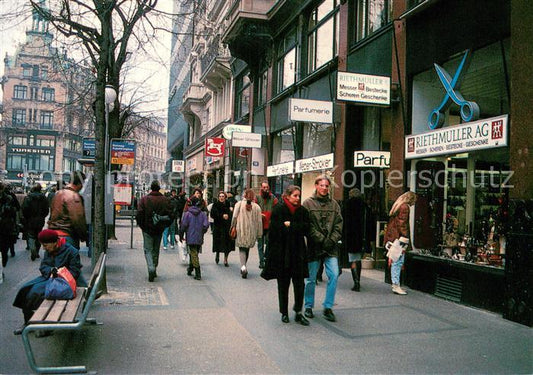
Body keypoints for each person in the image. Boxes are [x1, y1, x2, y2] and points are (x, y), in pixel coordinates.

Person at [13, 229, 85, 335]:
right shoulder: (49, 250)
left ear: (55, 242)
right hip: (49, 278)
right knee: (25, 289)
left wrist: (59, 273)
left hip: (63, 283)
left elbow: (74, 272)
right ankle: (28, 322)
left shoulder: (71, 251)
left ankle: (45, 324)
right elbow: (43, 266)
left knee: (36, 293)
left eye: (45, 245)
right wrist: (50, 271)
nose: (44, 248)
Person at [262, 185, 310, 326]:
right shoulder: (279, 210)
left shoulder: (302, 211)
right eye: (295, 195)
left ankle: (298, 311)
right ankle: (284, 312)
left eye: (299, 196)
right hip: (282, 253)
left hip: (298, 253)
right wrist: (290, 228)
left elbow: (306, 228)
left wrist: (291, 226)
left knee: (299, 284)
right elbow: (275, 231)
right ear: (287, 196)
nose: (297, 198)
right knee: (283, 284)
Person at [302, 175, 343, 322]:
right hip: (314, 247)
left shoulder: (335, 205)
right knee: (310, 279)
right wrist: (320, 239)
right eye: (322, 185)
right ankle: (308, 306)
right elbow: (307, 226)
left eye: (327, 186)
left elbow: (339, 225)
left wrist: (331, 240)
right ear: (316, 186)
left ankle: (328, 307)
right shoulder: (307, 204)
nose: (324, 188)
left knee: (334, 274)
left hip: (330, 248)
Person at [136, 180, 173, 282]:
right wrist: (165, 225)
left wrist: (142, 226)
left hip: (147, 229)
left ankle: (151, 267)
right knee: (156, 249)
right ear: (159, 188)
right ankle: (154, 267)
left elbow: (139, 214)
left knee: (148, 249)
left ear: (151, 188)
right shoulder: (165, 200)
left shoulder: (144, 200)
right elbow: (171, 215)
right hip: (159, 229)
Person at [384, 191, 417, 295]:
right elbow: (402, 223)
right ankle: (396, 285)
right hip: (399, 238)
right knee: (397, 262)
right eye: (414, 200)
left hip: (393, 236)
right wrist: (405, 237)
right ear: (411, 199)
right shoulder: (405, 207)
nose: (414, 203)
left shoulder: (398, 205)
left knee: (395, 260)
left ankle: (395, 284)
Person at [47, 171, 87, 250]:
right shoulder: (74, 197)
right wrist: (83, 235)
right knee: (71, 261)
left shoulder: (58, 194)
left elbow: (52, 214)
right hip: (67, 236)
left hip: (54, 235)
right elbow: (77, 218)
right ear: (79, 183)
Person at [342, 188, 371, 292]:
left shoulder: (347, 205)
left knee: (352, 259)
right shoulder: (365, 206)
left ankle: (356, 282)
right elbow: (369, 224)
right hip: (362, 238)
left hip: (350, 237)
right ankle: (358, 279)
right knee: (358, 258)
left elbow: (343, 222)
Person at [230, 188, 262, 279]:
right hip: (252, 231)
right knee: (247, 248)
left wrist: (232, 226)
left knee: (242, 248)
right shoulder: (257, 207)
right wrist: (259, 234)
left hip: (241, 230)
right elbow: (259, 222)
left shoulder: (239, 204)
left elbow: (234, 217)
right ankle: (244, 265)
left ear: (244, 195)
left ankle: (243, 266)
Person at [179, 196, 209, 280]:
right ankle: (190, 268)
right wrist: (202, 231)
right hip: (199, 237)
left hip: (190, 236)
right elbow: (206, 225)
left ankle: (197, 271)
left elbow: (183, 225)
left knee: (193, 253)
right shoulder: (202, 214)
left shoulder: (188, 214)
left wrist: (181, 235)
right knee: (194, 253)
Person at [22, 184, 50, 261]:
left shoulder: (28, 197)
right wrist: (43, 216)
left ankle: (32, 249)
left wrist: (27, 217)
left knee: (31, 235)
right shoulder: (44, 198)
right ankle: (37, 251)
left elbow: (24, 209)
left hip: (30, 219)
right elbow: (46, 209)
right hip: (40, 219)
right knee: (38, 235)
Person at [255, 182, 278, 269]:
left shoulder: (273, 198)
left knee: (269, 243)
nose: (266, 189)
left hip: (270, 225)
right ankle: (261, 262)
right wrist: (259, 214)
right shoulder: (257, 198)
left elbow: (277, 208)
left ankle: (265, 257)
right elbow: (254, 209)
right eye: (264, 187)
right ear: (261, 188)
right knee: (260, 245)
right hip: (260, 225)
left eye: (267, 187)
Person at [210, 191, 234, 266]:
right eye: (220, 196)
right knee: (218, 242)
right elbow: (212, 214)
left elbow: (231, 216)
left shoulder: (228, 204)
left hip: (226, 227)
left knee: (227, 244)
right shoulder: (215, 205)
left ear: (225, 197)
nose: (221, 198)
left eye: (223, 196)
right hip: (218, 227)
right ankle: (217, 254)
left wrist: (230, 212)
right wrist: (221, 216)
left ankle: (225, 259)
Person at [0, 182, 19, 268]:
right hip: (6, 227)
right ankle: (2, 267)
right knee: (4, 249)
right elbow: (15, 209)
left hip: (5, 226)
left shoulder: (8, 198)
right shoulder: (9, 198)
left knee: (4, 249)